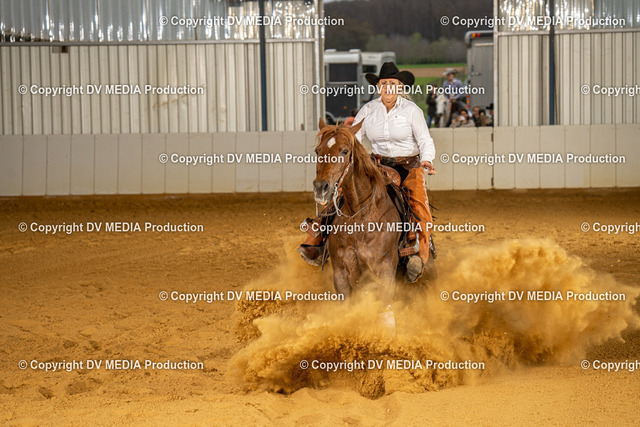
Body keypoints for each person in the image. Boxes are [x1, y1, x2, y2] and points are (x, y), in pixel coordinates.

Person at [298, 62, 437, 282]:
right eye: (384, 83)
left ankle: (418, 255)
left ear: (400, 86)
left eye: (392, 83)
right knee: (341, 194)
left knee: (419, 206)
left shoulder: (412, 111)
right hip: (377, 165)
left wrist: (427, 159)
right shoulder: (369, 110)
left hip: (408, 167)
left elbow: (425, 140)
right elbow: (353, 139)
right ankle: (317, 239)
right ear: (378, 87)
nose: (388, 87)